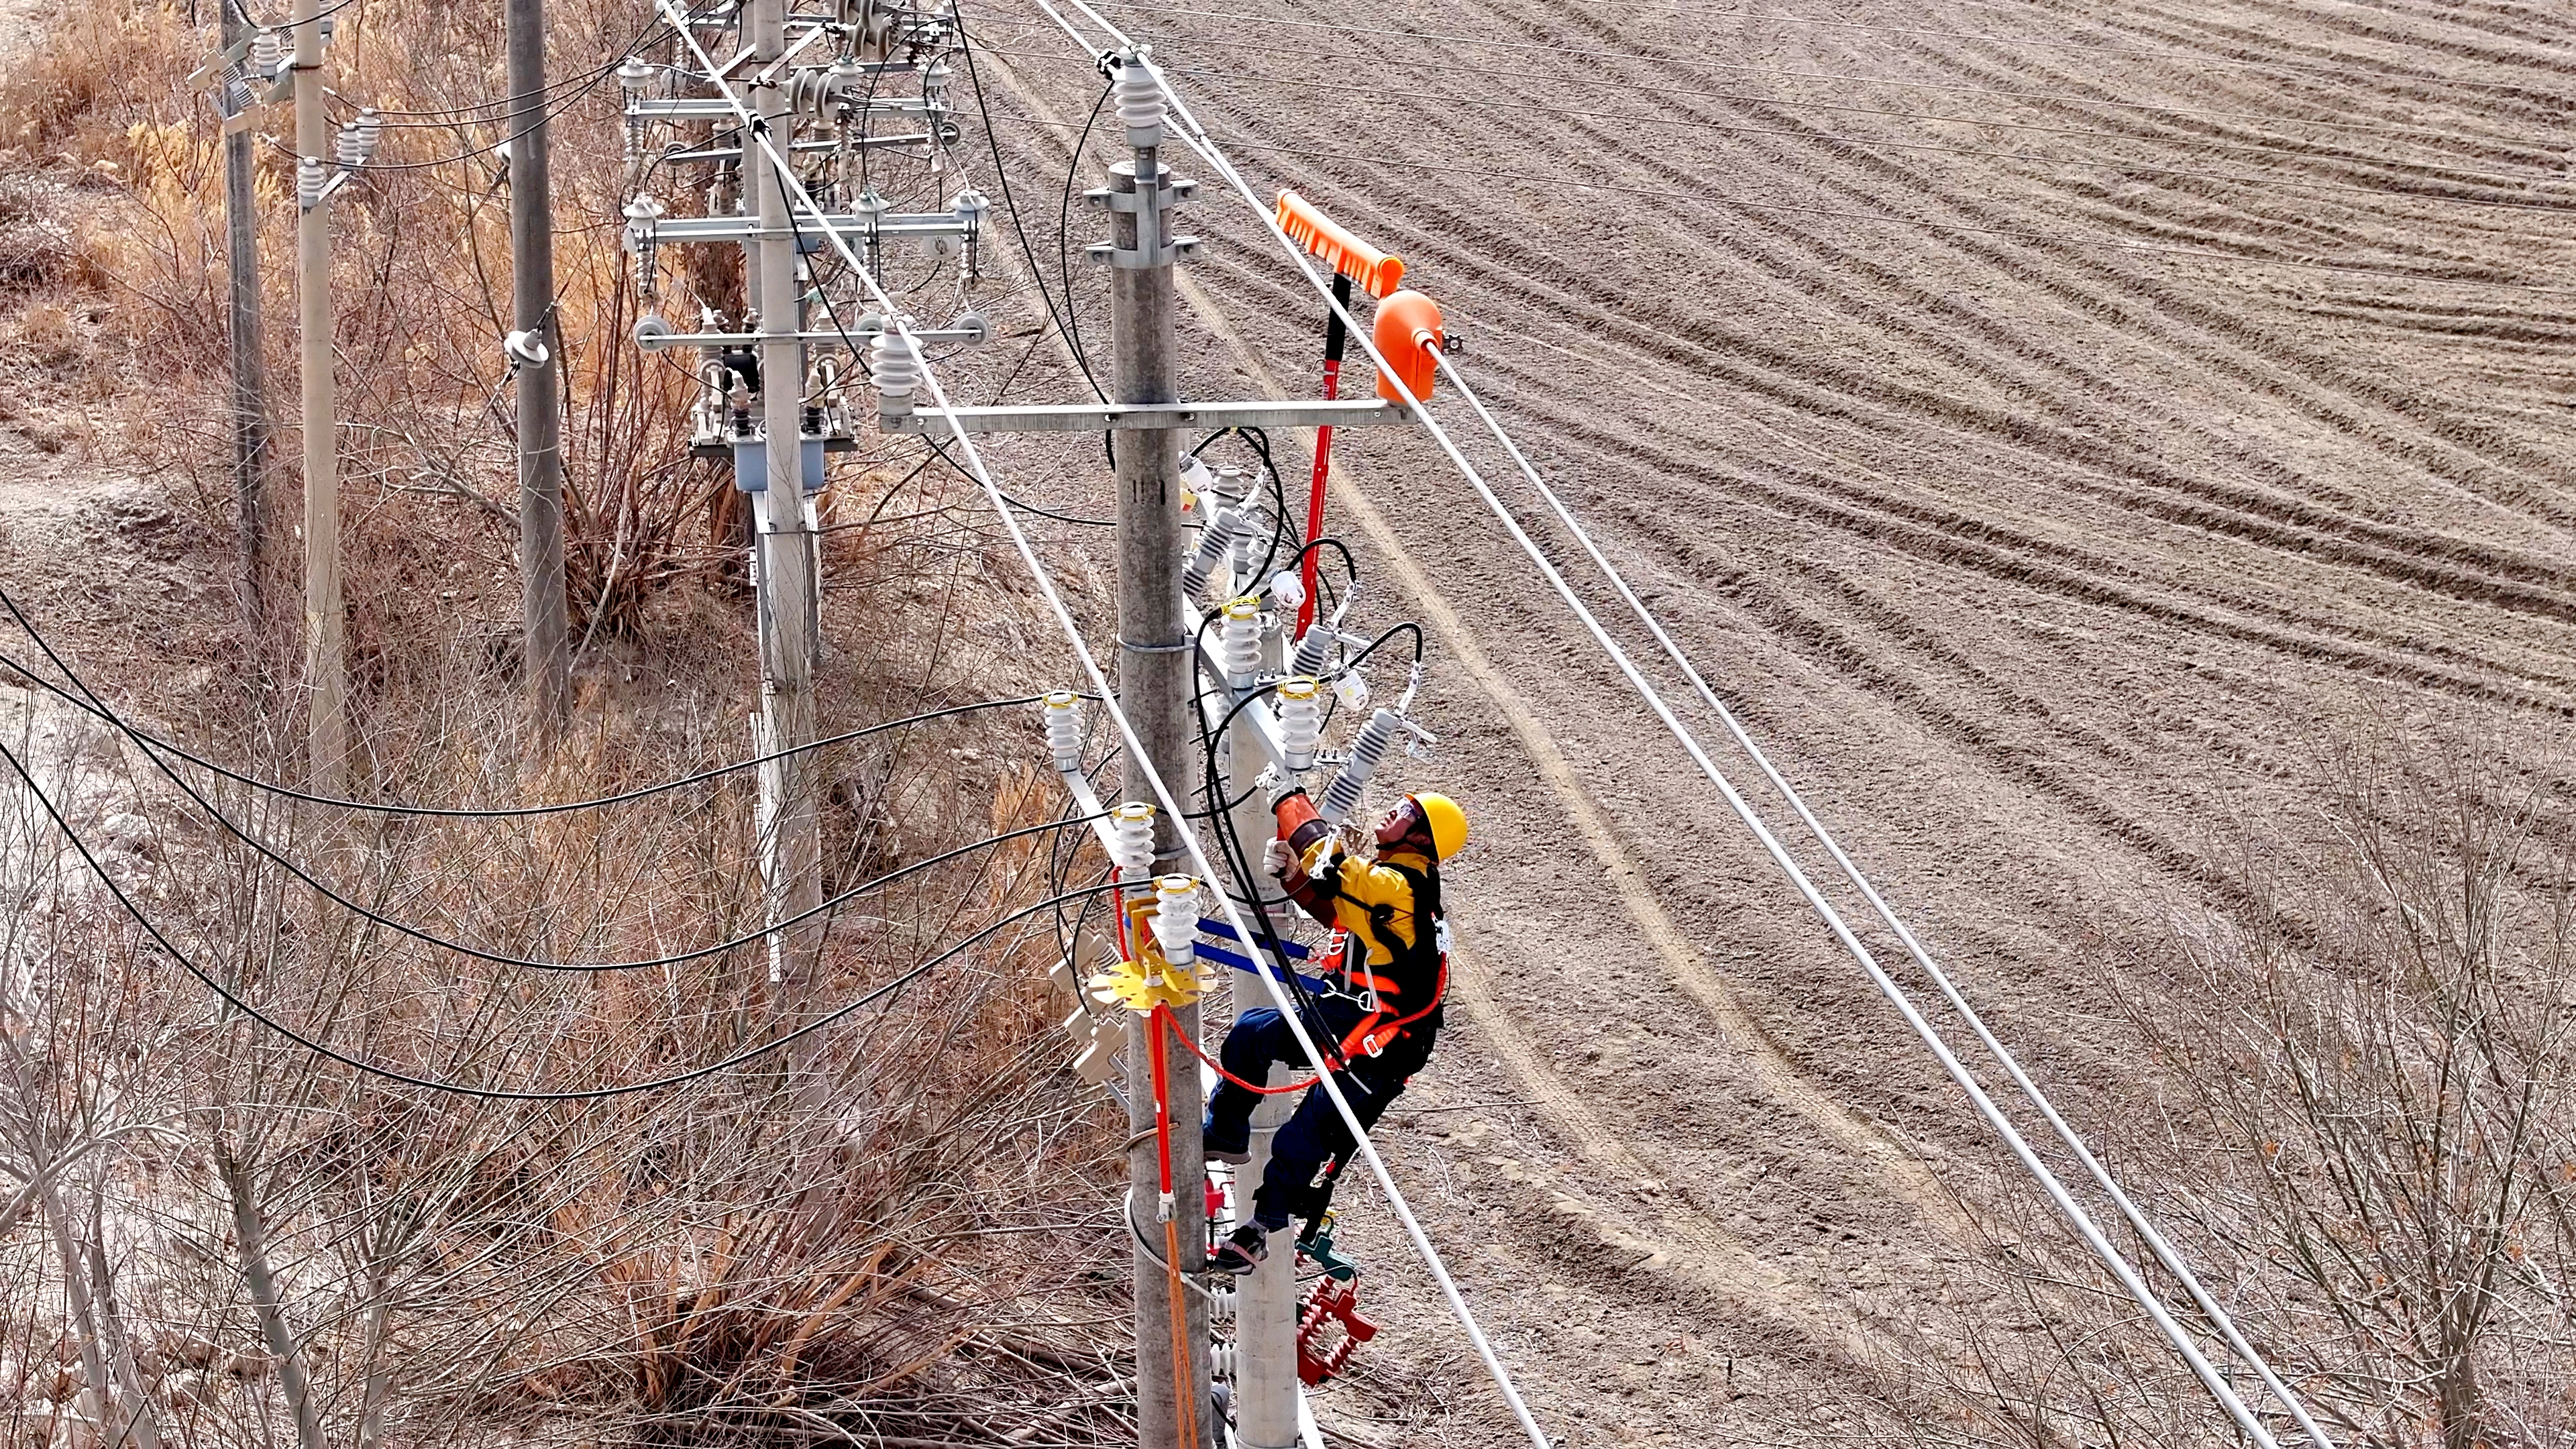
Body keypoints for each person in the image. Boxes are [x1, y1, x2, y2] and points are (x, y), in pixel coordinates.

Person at [1202, 787, 1468, 1274]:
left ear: (1422, 840)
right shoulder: (1392, 888)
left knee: (1307, 1134)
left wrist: (1287, 799)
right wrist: (1294, 880)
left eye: (1407, 813)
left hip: (1381, 1046)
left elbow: (1331, 861)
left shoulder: (1401, 887)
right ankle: (1225, 1131)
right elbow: (1337, 911)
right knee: (1251, 1034)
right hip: (1344, 1014)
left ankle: (1261, 1228)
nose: (1394, 811)